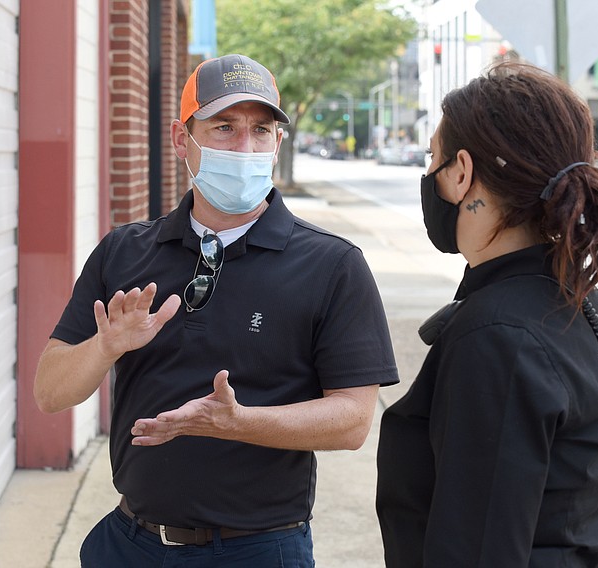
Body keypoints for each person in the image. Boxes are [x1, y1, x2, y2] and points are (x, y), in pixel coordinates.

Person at [34, 53, 399, 567]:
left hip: (257, 550)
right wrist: (106, 345)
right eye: (224, 127)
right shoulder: (125, 252)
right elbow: (50, 393)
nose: (245, 147)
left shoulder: (332, 265)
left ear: (277, 142)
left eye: (261, 130)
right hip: (130, 543)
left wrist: (237, 422)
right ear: (183, 140)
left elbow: (352, 421)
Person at [376, 62, 598, 567]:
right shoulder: (575, 301)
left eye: (432, 158)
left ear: (461, 171)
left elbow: (475, 551)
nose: (430, 174)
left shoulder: (497, 336)